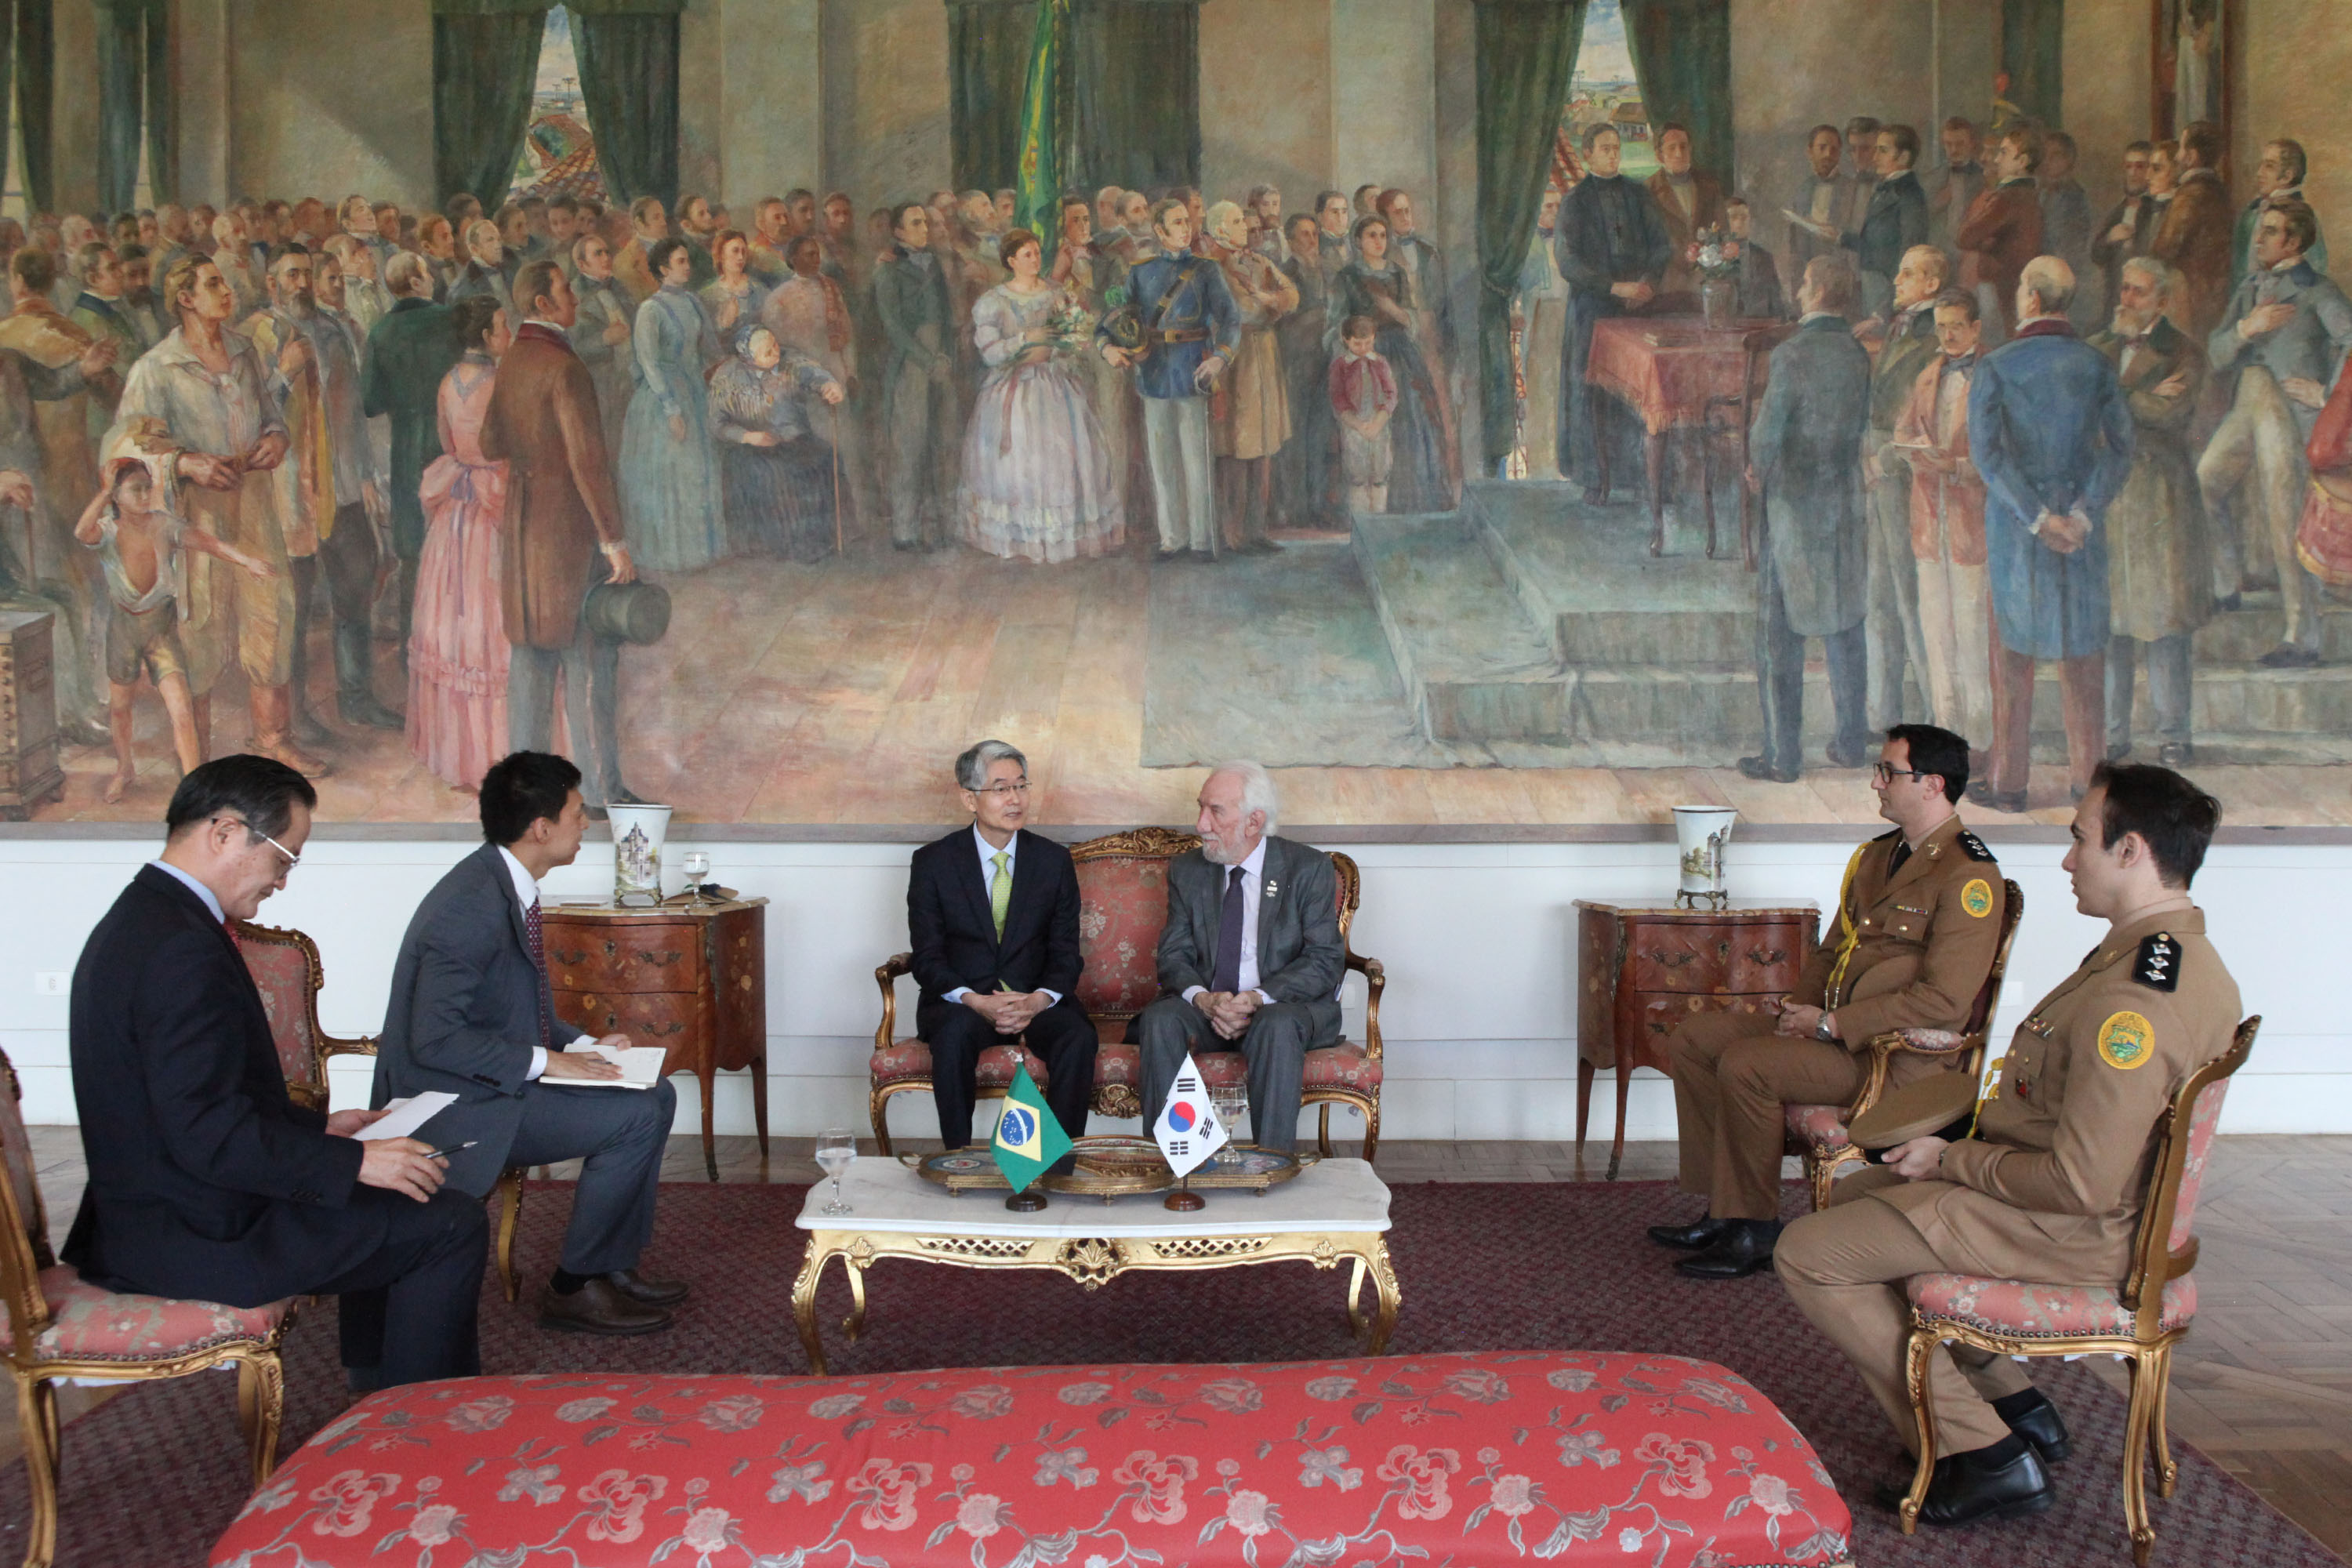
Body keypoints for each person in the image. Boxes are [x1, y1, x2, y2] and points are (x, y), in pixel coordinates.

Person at [1777, 762, 2239, 1529]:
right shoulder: (2166, 956)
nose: (2066, 859)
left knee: (1807, 1252)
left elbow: (2081, 1182)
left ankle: (1981, 1453)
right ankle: (2016, 1403)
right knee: (1859, 1194)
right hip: (2059, 1204)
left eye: (2079, 839)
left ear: (2130, 850)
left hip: (2070, 1227)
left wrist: (1949, 1158)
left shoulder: (2136, 1000)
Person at [64, 755, 483, 1388]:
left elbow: (207, 1101)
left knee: (395, 1201)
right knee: (450, 1221)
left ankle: (377, 1395)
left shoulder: (149, 919)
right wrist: (356, 1163)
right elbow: (210, 1132)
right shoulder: (179, 947)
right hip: (196, 1231)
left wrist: (323, 1133)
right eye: (284, 857)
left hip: (163, 1210)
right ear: (226, 833)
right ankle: (415, 1422)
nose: (283, 882)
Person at [1659, 724, 2004, 1278]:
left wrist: (1833, 1024)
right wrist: (1800, 1013)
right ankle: (1724, 1209)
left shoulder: (1969, 876)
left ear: (1933, 784)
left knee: (1749, 1066)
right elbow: (1831, 952)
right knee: (1695, 1039)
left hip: (1895, 1060)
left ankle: (1756, 1231)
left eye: (1888, 772)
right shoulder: (1876, 857)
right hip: (1835, 1037)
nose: (1876, 783)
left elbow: (1945, 1000)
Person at [374, 750, 687, 1335]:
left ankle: (610, 1265)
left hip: (489, 1080)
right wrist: (552, 1060)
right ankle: (574, 1288)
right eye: (576, 813)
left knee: (656, 1094)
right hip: (452, 1101)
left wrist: (590, 1043)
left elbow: (518, 1010)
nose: (584, 824)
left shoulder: (503, 884)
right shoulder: (469, 906)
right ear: (541, 827)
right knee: (637, 1115)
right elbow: (435, 1039)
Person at [105, 255, 318, 775]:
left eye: (224, 281)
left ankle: (273, 738)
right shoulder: (156, 367)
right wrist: (184, 462)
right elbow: (122, 445)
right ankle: (197, 756)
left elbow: (271, 415)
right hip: (194, 510)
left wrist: (276, 438)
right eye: (214, 284)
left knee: (271, 605)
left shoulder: (244, 352)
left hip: (253, 502)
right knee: (199, 618)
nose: (227, 291)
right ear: (185, 298)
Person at [1969, 256, 2135, 811]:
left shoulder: (1996, 366)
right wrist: (2082, 514)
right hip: (2082, 530)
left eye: (2019, 288)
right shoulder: (2096, 364)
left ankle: (2009, 782)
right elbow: (2119, 449)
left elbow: (1988, 455)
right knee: (2083, 654)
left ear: (2032, 300)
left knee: (2012, 655)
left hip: (2019, 529)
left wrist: (2037, 517)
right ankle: (2089, 782)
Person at [484, 260, 642, 815]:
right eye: (566, 289)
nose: (574, 296)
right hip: (570, 532)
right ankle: (601, 790)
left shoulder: (514, 361)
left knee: (530, 656)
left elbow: (489, 441)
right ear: (545, 305)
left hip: (524, 528)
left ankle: (524, 792)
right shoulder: (564, 367)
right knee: (588, 657)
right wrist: (614, 538)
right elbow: (588, 461)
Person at [1135, 763, 1343, 1155]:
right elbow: (1174, 953)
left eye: (1215, 811)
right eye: (1201, 808)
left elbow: (1323, 960)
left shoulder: (1307, 868)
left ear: (1254, 822)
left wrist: (1256, 998)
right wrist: (1203, 998)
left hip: (1281, 1007)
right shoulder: (1189, 870)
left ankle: (1272, 1161)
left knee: (1276, 1024)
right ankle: (1175, 1160)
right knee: (1160, 1018)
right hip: (1209, 1005)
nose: (1200, 825)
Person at [905, 739, 1097, 1159]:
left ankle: (1058, 1161)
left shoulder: (1053, 861)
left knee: (1077, 1036)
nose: (1015, 799)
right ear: (969, 798)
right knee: (954, 1034)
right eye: (1001, 788)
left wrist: (1038, 1000)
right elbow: (928, 957)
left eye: (1021, 786)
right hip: (963, 1002)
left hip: (1034, 999)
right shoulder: (933, 863)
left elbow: (1066, 953)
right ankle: (958, 1158)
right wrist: (974, 1001)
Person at [2200, 198, 2350, 667]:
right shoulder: (2249, 289)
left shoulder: (2316, 290)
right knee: (2205, 479)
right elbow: (2217, 352)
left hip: (2289, 412)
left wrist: (2326, 393)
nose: (2258, 239)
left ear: (2295, 241)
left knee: (2286, 513)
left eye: (2269, 232)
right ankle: (2226, 584)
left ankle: (2302, 633)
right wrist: (2247, 327)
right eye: (2260, 231)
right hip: (2250, 399)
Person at [1740, 257, 1872, 783]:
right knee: (1845, 621)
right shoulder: (1858, 353)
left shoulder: (1792, 354)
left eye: (1802, 282)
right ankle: (1849, 742)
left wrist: (1756, 470)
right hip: (1842, 499)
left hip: (1793, 500)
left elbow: (1768, 431)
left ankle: (1782, 756)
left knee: (1779, 630)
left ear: (1816, 290)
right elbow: (1862, 423)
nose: (1797, 289)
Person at [75, 457, 276, 801]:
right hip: (124, 629)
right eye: (134, 489)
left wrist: (247, 561)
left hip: (160, 629)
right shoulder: (108, 529)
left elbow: (208, 543)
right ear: (117, 496)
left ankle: (195, 782)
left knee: (181, 709)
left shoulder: (164, 525)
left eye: (147, 487)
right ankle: (125, 768)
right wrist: (105, 490)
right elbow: (81, 532)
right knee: (121, 706)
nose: (143, 495)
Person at [2092, 259, 2212, 768]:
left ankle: (2173, 733)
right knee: (2112, 626)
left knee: (2165, 625)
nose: (2127, 298)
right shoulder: (2099, 347)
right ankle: (2113, 735)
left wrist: (2113, 397)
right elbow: (2083, 410)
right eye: (2124, 288)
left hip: (2161, 501)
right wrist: (2135, 398)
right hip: (2111, 500)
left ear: (2161, 302)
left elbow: (2172, 413)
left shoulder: (2183, 351)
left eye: (2138, 292)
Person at [958, 227, 1122, 564]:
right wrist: (1025, 339)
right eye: (1027, 255)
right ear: (1010, 260)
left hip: (1055, 386)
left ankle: (1057, 539)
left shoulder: (1056, 293)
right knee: (1021, 464)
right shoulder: (994, 301)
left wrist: (1062, 349)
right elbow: (990, 353)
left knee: (1061, 459)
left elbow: (1074, 337)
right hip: (1015, 391)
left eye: (1037, 252)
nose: (1035, 259)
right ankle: (1023, 540)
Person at [406, 298, 514, 792]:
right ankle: (493, 754)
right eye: (503, 326)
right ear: (489, 336)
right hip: (489, 507)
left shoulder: (448, 382)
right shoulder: (501, 384)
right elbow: (508, 444)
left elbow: (448, 444)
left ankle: (461, 754)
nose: (507, 333)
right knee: (486, 621)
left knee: (456, 621)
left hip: (456, 515)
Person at [1102, 199, 1239, 561]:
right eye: (1176, 223)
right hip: (1154, 372)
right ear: (1159, 232)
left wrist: (1220, 359)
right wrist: (1108, 349)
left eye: (1187, 222)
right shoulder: (1141, 271)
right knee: (1162, 462)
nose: (1186, 228)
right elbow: (1111, 321)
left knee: (1196, 460)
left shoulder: (1207, 271)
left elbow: (1230, 321)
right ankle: (1172, 539)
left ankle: (1200, 541)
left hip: (1195, 369)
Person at [1893, 290, 1994, 754]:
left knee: (1973, 634)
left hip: (1974, 521)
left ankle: (1980, 740)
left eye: (1956, 325)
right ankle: (1943, 734)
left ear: (1976, 328)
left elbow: (2000, 453)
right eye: (1941, 326)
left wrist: (1955, 467)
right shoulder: (1928, 375)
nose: (1948, 334)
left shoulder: (1992, 377)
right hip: (1929, 522)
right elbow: (1903, 431)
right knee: (1937, 633)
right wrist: (1914, 451)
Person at [1860, 245, 1951, 736]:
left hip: (1903, 471)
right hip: (1877, 465)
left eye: (1908, 273)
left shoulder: (1935, 336)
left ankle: (1936, 714)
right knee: (1879, 593)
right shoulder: (1899, 327)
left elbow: (1924, 415)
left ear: (1932, 285)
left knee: (1911, 593)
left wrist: (1884, 459)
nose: (1896, 280)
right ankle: (1883, 712)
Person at [1555, 124, 1671, 501]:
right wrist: (1613, 287)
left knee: (1638, 390)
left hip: (1638, 307)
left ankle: (1639, 476)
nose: (1613, 155)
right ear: (1587, 154)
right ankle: (1595, 478)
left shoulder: (1639, 195)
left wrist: (1648, 284)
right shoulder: (1575, 202)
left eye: (1616, 148)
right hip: (1593, 309)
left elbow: (1661, 246)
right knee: (1593, 392)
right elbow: (1568, 262)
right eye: (1604, 149)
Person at [361, 252, 459, 650]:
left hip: (405, 446)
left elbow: (370, 402)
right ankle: (454, 645)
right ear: (418, 280)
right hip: (449, 442)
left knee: (412, 550)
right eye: (427, 272)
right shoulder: (451, 321)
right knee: (455, 542)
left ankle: (411, 645)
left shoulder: (381, 332)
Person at [618, 237, 725, 572]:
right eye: (680, 262)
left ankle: (702, 553)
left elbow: (712, 347)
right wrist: (671, 410)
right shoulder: (650, 310)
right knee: (674, 472)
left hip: (694, 391)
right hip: (662, 399)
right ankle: (672, 556)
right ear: (663, 269)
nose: (687, 266)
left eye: (687, 261)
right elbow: (648, 363)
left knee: (698, 470)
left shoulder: (693, 302)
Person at [1330, 215, 1449, 516]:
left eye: (1383, 235)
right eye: (1372, 235)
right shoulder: (1347, 277)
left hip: (1399, 350)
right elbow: (1336, 321)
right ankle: (1364, 511)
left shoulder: (1396, 273)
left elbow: (1410, 317)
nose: (1379, 241)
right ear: (1358, 241)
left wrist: (1392, 310)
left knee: (1411, 417)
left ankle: (1409, 499)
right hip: (1362, 354)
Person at [1207, 201, 1298, 552]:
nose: (1245, 227)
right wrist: (1270, 304)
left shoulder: (1260, 262)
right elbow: (1242, 311)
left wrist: (1269, 301)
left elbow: (1292, 295)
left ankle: (1256, 531)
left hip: (1265, 357)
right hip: (1236, 360)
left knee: (1263, 446)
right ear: (1219, 231)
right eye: (1235, 222)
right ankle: (1232, 533)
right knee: (1234, 447)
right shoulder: (1213, 269)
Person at [713, 321, 845, 562]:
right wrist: (748, 436)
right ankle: (792, 546)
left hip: (794, 438)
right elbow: (717, 425)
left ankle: (823, 536)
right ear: (749, 359)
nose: (775, 351)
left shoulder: (789, 361)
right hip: (752, 446)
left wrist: (829, 385)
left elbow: (814, 373)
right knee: (778, 473)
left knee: (827, 456)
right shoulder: (727, 377)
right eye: (767, 351)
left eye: (774, 344)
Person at [875, 202, 960, 551]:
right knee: (910, 445)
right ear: (898, 232)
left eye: (925, 222)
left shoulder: (935, 264)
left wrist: (948, 357)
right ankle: (906, 530)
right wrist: (927, 360)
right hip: (912, 361)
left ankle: (942, 526)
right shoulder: (888, 270)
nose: (924, 228)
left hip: (940, 357)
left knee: (944, 442)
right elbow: (892, 325)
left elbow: (948, 314)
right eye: (915, 223)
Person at [1377, 189, 1459, 503]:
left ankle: (1438, 492)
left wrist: (1451, 354)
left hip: (1431, 345)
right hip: (1398, 347)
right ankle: (1407, 496)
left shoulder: (1429, 252)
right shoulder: (1381, 256)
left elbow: (1445, 307)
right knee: (1406, 421)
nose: (1406, 217)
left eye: (1408, 210)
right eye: (1398, 213)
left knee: (1438, 419)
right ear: (1385, 218)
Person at [1278, 212, 1339, 524]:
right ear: (1290, 241)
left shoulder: (1330, 271)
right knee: (1296, 438)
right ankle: (1295, 508)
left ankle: (1319, 506)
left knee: (1321, 435)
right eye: (1304, 234)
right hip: (1297, 364)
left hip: (1327, 362)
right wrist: (1314, 319)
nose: (1312, 240)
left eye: (1314, 233)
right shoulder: (1283, 273)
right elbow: (1281, 323)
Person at [1831, 125, 1929, 318]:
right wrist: (1840, 237)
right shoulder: (1884, 188)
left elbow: (1911, 252)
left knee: (1881, 335)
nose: (1875, 158)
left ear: (1903, 157)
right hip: (1873, 280)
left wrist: (1886, 307)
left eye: (1883, 151)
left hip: (1889, 283)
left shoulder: (1910, 195)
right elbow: (1875, 242)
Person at [1955, 126, 2045, 333]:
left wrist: (1987, 242)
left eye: (2004, 153)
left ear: (2022, 162)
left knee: (1996, 341)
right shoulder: (2030, 195)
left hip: (1999, 286)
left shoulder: (2007, 198)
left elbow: (1965, 238)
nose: (1996, 160)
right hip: (2018, 285)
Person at [2154, 121, 2234, 343]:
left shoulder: (2190, 195)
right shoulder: (2219, 191)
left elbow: (2165, 249)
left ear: (2191, 156)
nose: (2178, 157)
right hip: (2216, 295)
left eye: (2181, 149)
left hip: (2189, 296)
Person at [1515, 187, 1570, 479]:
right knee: (1540, 392)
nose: (1554, 212)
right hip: (1539, 318)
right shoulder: (1524, 244)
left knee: (1566, 391)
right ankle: (1541, 467)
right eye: (1548, 207)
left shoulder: (1570, 240)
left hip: (1569, 317)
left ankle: (1566, 463)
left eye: (1558, 206)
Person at [1648, 124, 1727, 303]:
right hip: (1666, 287)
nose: (1679, 153)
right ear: (1659, 155)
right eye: (1672, 148)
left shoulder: (1709, 187)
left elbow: (1723, 232)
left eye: (1683, 147)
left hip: (1705, 284)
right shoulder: (1648, 191)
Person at [2233, 138, 2327, 285]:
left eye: (2269, 166)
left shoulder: (2303, 219)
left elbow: (2315, 273)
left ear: (2287, 176)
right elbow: (2239, 270)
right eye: (2261, 165)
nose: (2259, 173)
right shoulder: (2251, 214)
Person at [1331, 314, 1398, 514]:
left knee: (1380, 472)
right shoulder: (1340, 366)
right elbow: (1338, 399)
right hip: (1353, 425)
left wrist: (1378, 423)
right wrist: (1359, 425)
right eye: (1357, 344)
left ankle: (1379, 518)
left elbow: (1391, 394)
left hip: (1379, 424)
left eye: (1368, 343)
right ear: (1346, 340)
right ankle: (1360, 521)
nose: (1363, 349)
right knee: (1357, 474)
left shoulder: (1380, 363)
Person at [2090, 141, 2160, 320]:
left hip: (2147, 304)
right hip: (2116, 303)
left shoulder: (2156, 211)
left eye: (2140, 167)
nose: (2132, 173)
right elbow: (2096, 254)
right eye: (2128, 166)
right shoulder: (2117, 212)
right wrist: (2109, 239)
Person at [2038, 132, 2096, 328]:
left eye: (2055, 156)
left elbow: (2071, 251)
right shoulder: (2043, 194)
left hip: (2063, 284)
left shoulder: (2074, 199)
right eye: (2045, 156)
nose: (2048, 162)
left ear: (2069, 160)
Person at [1788, 124, 1857, 274]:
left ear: (1839, 154)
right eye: (1822, 147)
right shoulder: (1802, 190)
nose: (1828, 154)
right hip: (1807, 273)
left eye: (1834, 149)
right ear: (1810, 152)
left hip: (1841, 273)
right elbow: (1795, 241)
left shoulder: (1852, 189)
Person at [1927, 118, 1986, 255]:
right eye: (1948, 144)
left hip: (1971, 252)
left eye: (1960, 144)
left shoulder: (1983, 178)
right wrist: (1937, 204)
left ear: (1972, 144)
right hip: (1938, 250)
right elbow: (1920, 218)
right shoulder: (1931, 178)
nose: (1954, 150)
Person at [1722, 197, 1785, 321]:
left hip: (1759, 324)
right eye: (1734, 218)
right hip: (1726, 325)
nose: (1740, 223)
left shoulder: (1764, 256)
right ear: (1725, 221)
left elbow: (1776, 299)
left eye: (1744, 217)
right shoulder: (1712, 257)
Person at [699, 228, 766, 338]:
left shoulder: (758, 289)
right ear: (721, 255)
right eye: (735, 251)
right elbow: (705, 338)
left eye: (743, 252)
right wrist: (724, 323)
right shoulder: (708, 295)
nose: (740, 257)